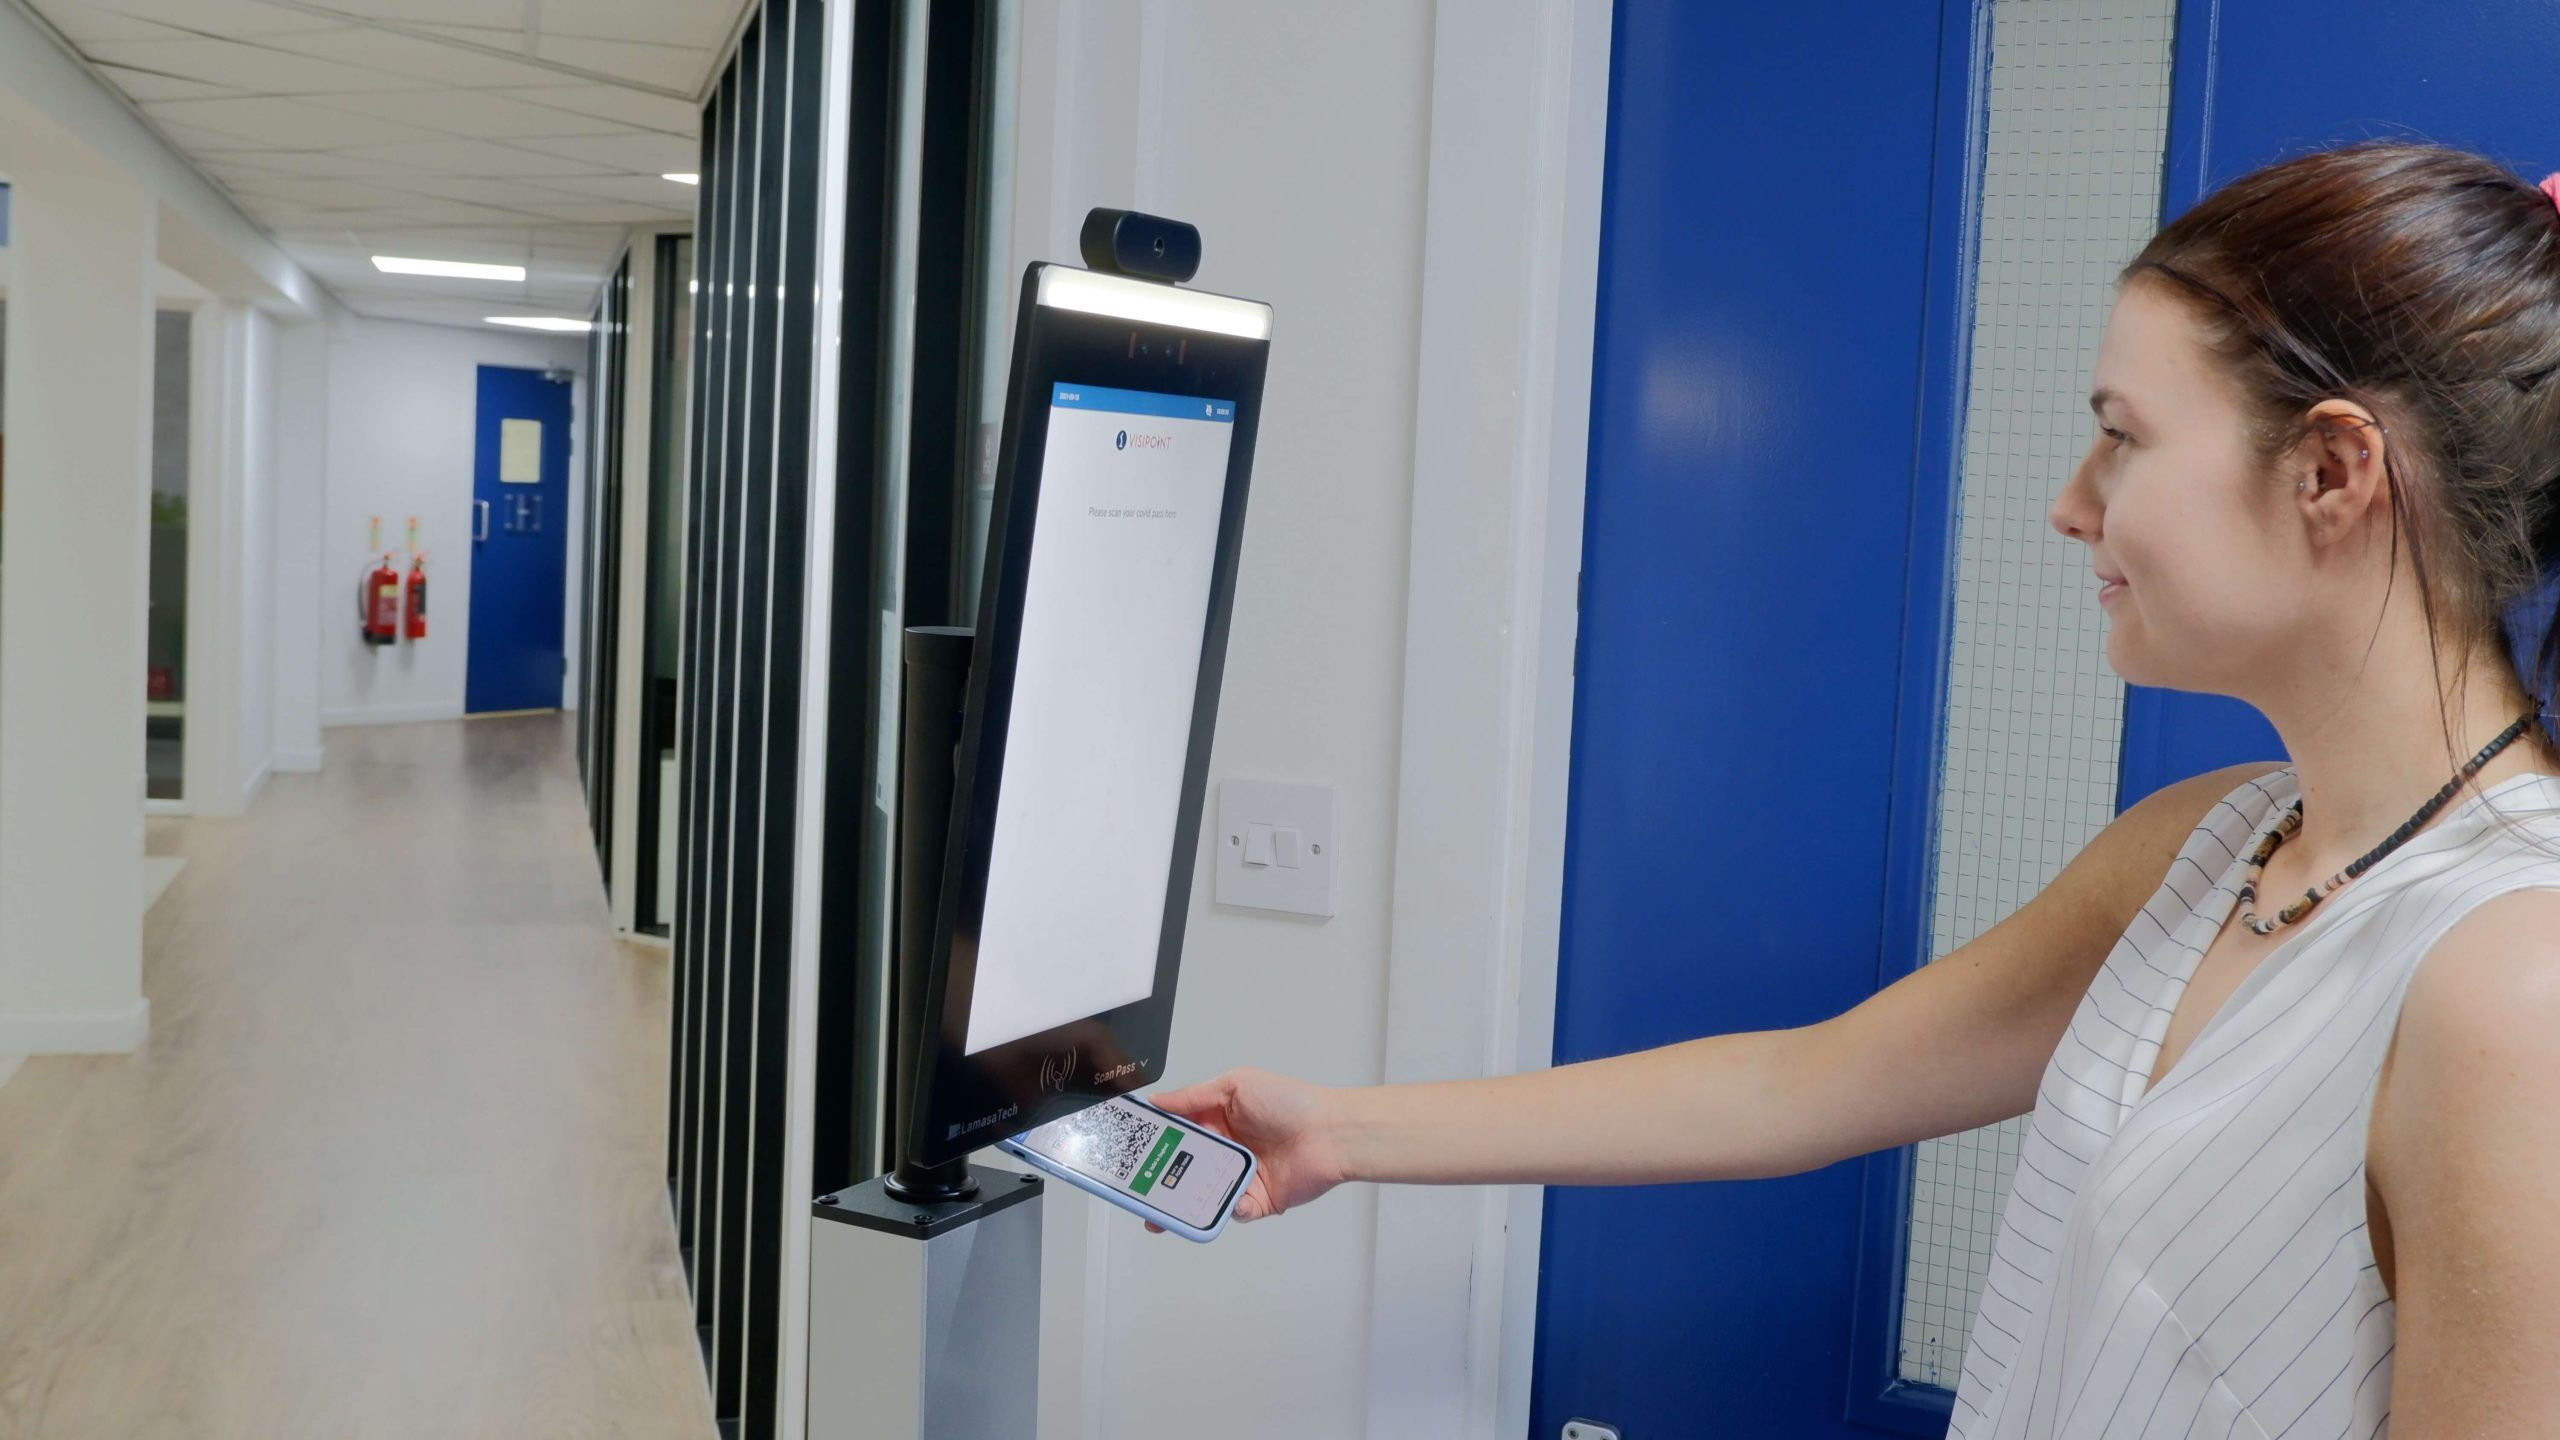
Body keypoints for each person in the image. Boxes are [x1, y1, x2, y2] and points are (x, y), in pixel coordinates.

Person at [1154, 142, 2560, 1437]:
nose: (2072, 502)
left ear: (2330, 469)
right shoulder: (2210, 849)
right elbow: (1800, 1083)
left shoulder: (2513, 981)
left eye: (2122, 435)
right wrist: (1341, 1130)